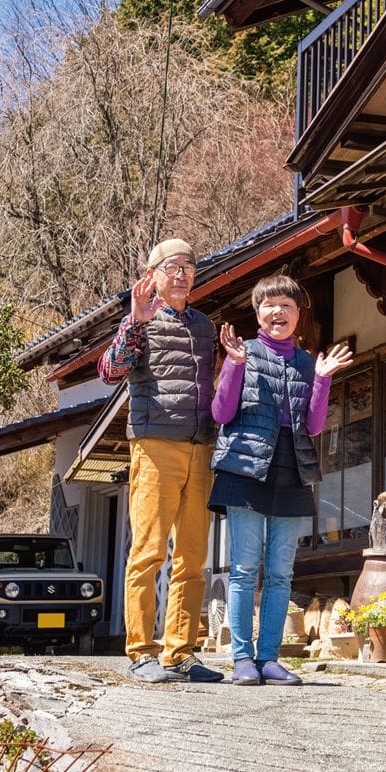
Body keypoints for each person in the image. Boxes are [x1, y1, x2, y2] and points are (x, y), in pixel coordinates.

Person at [209, 274, 353, 685]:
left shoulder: (308, 363)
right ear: (257, 313)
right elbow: (221, 414)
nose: (278, 313)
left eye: (286, 306)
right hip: (245, 469)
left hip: (292, 470)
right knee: (243, 569)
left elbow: (314, 423)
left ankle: (269, 658)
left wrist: (323, 379)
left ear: (298, 315)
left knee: (280, 574)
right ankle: (241, 660)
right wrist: (234, 365)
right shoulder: (243, 353)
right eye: (269, 306)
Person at [98, 238, 224, 684]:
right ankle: (141, 651)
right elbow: (110, 370)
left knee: (193, 555)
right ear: (152, 274)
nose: (182, 273)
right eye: (172, 266)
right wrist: (134, 322)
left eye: (189, 266)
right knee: (149, 550)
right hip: (154, 444)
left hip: (200, 445)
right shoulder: (141, 321)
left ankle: (181, 652)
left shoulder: (206, 326)